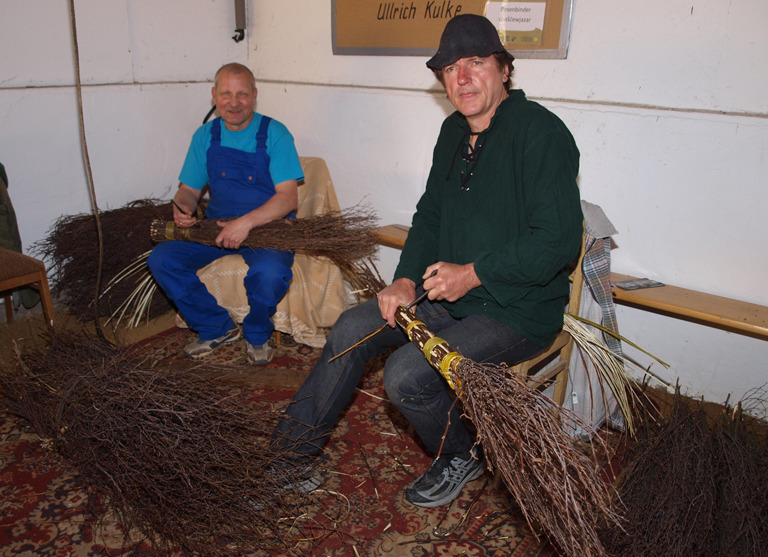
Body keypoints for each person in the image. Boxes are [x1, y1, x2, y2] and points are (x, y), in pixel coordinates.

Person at [274, 14, 584, 507]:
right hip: (448, 292)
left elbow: (558, 241)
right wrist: (403, 282)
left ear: (504, 69)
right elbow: (431, 217)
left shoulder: (540, 134)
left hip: (517, 308)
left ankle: (461, 455)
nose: (463, 77)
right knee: (352, 328)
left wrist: (474, 274)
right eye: (451, 68)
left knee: (405, 376)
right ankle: (288, 458)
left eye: (476, 62)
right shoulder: (452, 134)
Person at [148, 63, 304, 364]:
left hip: (267, 226)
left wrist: (245, 224)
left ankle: (257, 333)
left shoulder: (275, 134)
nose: (234, 103)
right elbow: (189, 190)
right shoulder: (205, 135)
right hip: (216, 225)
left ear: (255, 96)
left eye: (242, 94)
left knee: (270, 274)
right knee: (162, 259)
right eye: (226, 94)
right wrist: (183, 206)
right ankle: (215, 327)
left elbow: (287, 199)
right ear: (214, 96)